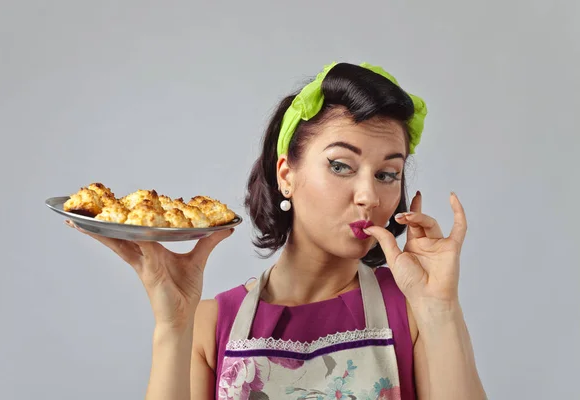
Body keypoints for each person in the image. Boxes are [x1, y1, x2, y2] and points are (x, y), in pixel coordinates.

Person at [66, 61, 487, 399]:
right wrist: (173, 328)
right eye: (341, 166)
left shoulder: (413, 311)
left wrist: (440, 310)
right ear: (286, 173)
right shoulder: (210, 326)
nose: (368, 196)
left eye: (387, 173)